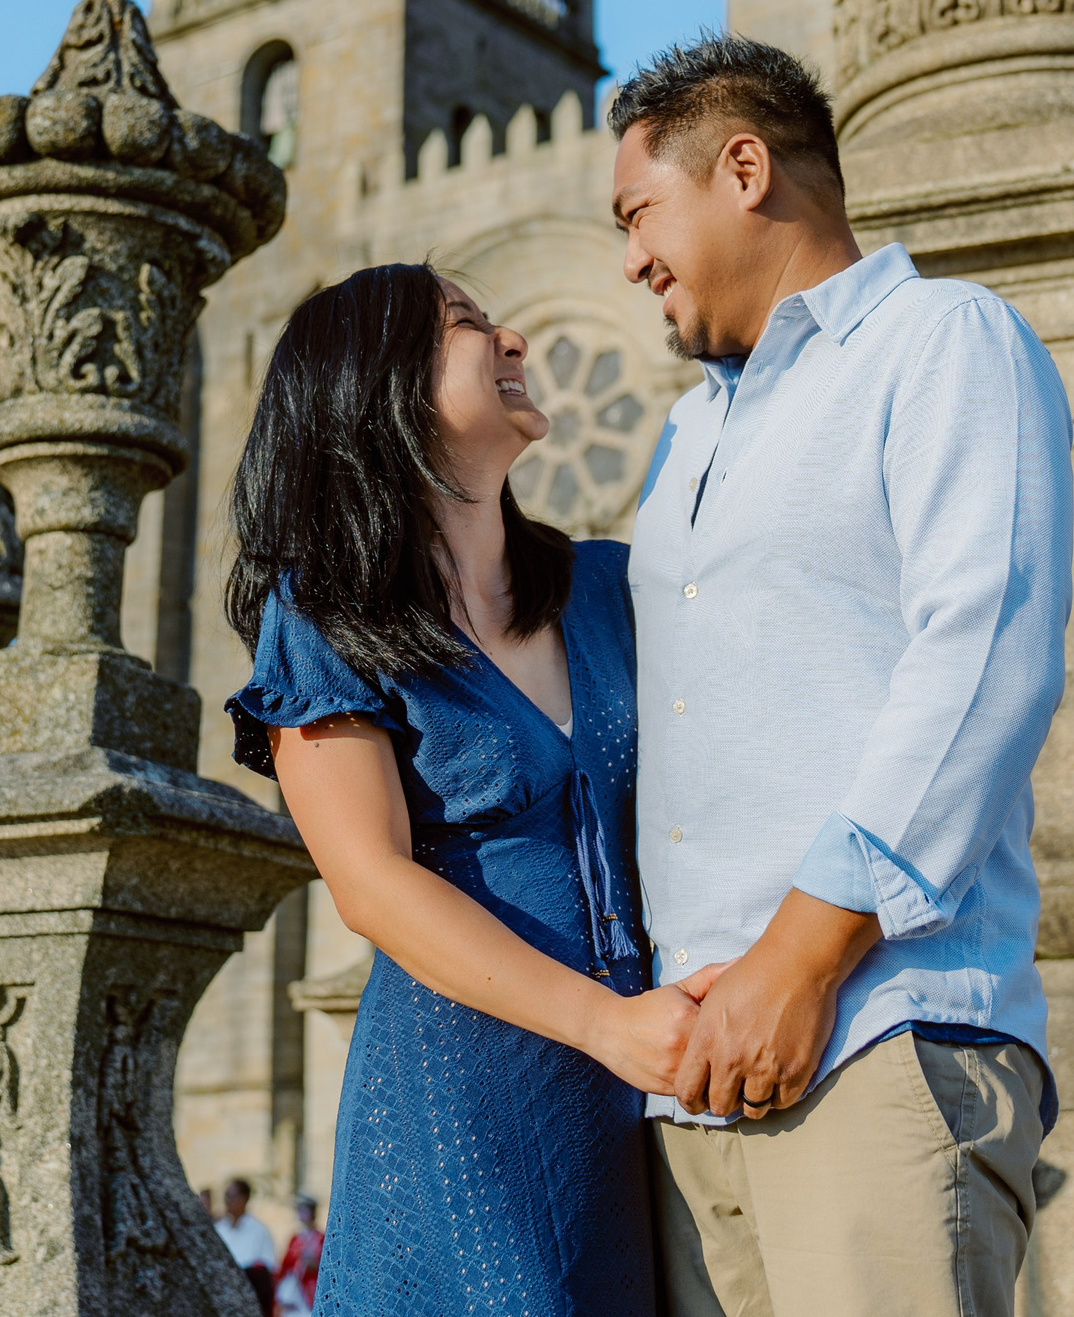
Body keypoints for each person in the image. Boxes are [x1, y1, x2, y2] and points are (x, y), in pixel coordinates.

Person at [609, 33, 1074, 1317]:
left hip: (878, 1028)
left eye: (641, 211)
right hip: (696, 1076)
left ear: (744, 169)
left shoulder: (941, 341)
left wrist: (801, 961)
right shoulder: (689, 429)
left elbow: (983, 659)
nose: (631, 258)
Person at [224, 264, 716, 1316]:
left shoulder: (606, 588)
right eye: (467, 326)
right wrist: (606, 1025)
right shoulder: (320, 614)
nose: (514, 341)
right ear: (380, 387)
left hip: (661, 1081)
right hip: (465, 1094)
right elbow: (369, 884)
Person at [212, 1178, 277, 1313]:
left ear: (244, 1199)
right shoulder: (219, 1229)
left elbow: (267, 1266)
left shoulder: (259, 1230)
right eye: (227, 1196)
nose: (228, 1201)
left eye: (232, 1196)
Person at [275, 1198, 325, 1317]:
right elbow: (286, 1263)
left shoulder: (321, 1238)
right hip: (295, 1285)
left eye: (305, 1211)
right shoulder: (296, 1238)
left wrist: (312, 1265)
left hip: (312, 1286)